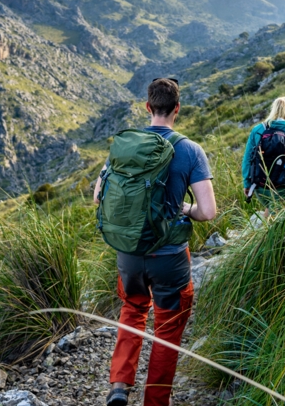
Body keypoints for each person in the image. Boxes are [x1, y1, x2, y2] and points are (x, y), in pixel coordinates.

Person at [93, 78, 217, 406]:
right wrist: (185, 208)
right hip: (170, 257)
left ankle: (119, 385)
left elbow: (98, 196)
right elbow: (207, 212)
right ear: (178, 109)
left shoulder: (125, 146)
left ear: (148, 107)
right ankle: (155, 401)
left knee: (132, 309)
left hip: (129, 253)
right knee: (168, 328)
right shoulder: (190, 150)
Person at [242, 96, 285, 206]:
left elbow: (247, 159)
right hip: (283, 189)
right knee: (278, 213)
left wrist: (247, 183)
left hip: (260, 186)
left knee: (270, 209)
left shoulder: (258, 130)